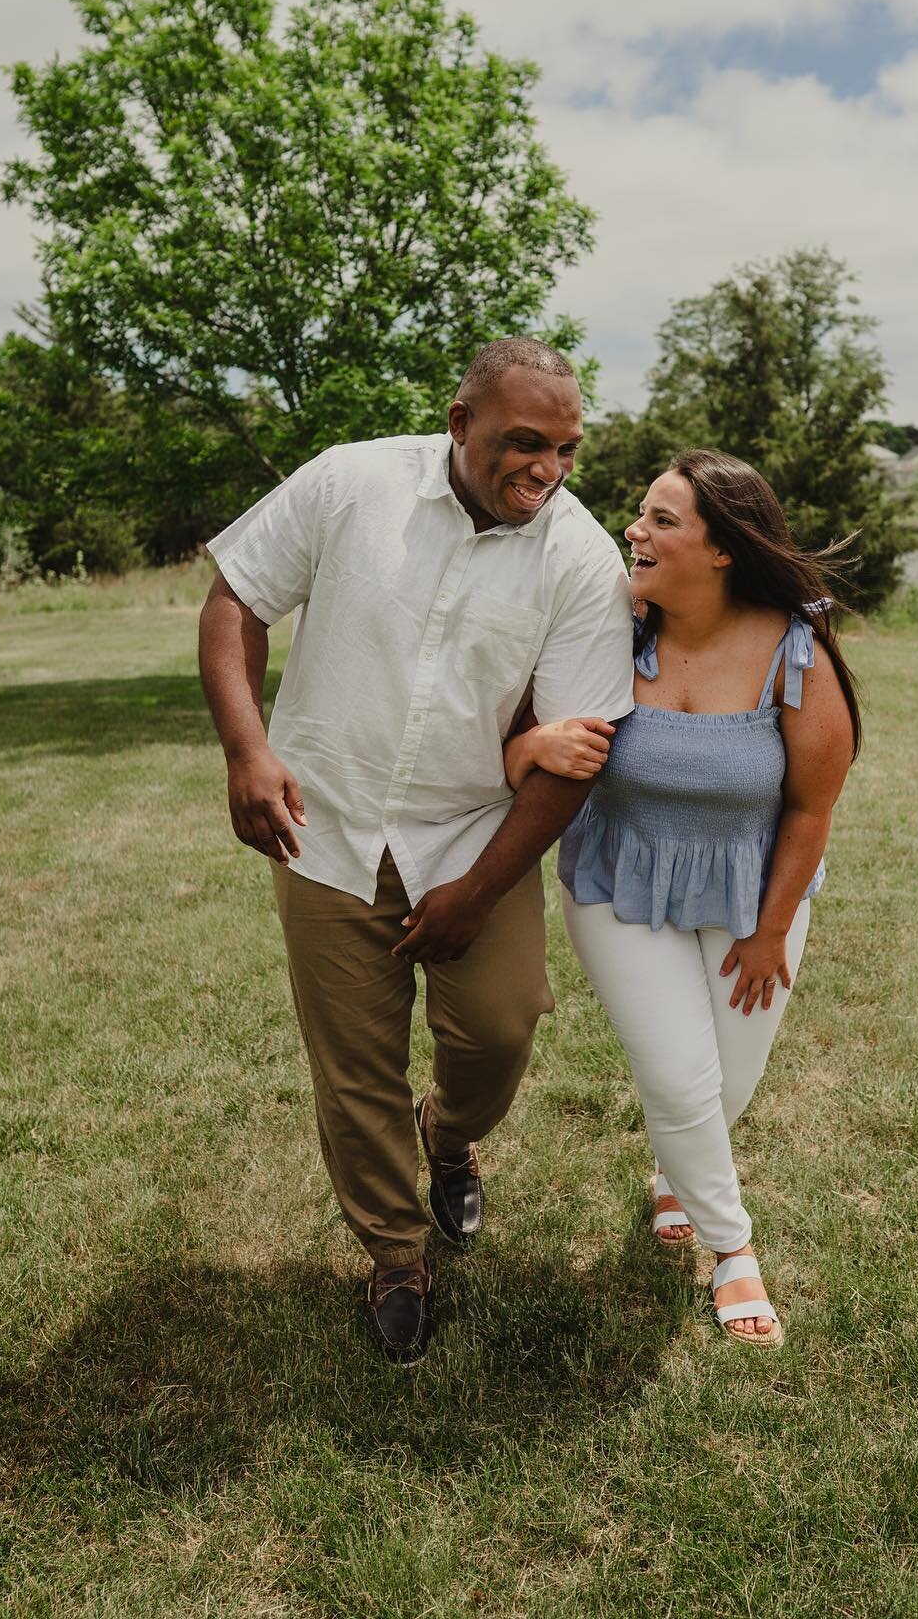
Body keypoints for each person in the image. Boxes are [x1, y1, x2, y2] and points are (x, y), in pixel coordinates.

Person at [198, 338, 634, 1364]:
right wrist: (246, 751)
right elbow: (235, 598)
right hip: (325, 824)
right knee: (355, 1071)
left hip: (474, 834)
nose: (547, 468)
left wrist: (479, 893)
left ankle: (450, 1137)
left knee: (499, 1028)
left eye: (566, 449)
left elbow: (575, 753)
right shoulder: (351, 481)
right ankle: (396, 1254)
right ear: (459, 422)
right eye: (524, 442)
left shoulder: (579, 558)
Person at [503, 450, 860, 1349]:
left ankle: (676, 1175)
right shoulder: (609, 626)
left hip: (754, 891)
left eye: (663, 520)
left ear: (725, 548)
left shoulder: (795, 646)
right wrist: (527, 750)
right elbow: (513, 729)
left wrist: (771, 930)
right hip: (620, 879)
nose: (636, 531)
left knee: (723, 1087)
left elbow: (815, 806)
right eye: (640, 514)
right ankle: (733, 1249)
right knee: (678, 1074)